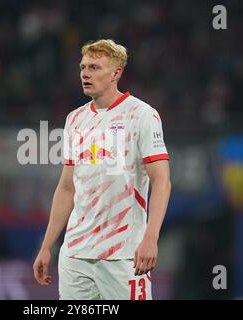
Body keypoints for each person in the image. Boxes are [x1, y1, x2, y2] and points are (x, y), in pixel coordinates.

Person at [33, 39, 171, 300]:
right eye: (83, 67)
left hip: (123, 254)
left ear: (116, 73)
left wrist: (151, 238)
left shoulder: (142, 115)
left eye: (95, 67)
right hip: (75, 254)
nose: (85, 73)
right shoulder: (75, 119)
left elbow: (162, 181)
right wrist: (47, 245)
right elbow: (67, 187)